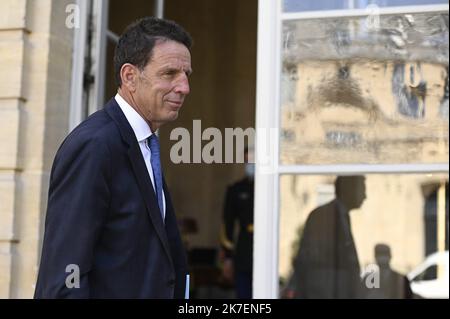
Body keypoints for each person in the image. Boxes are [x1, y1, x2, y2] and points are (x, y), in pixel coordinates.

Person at [34, 17, 193, 298]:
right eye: (169, 74)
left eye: (186, 75)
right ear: (130, 76)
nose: (184, 87)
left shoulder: (144, 143)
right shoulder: (95, 145)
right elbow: (64, 278)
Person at [286, 175, 366, 299]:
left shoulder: (342, 216)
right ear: (349, 189)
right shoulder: (323, 216)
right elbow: (309, 258)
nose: (365, 196)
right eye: (362, 189)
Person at [220, 148, 255, 299]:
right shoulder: (236, 190)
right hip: (243, 251)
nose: (251, 164)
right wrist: (228, 257)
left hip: (266, 249)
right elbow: (227, 224)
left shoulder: (270, 188)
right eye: (247, 161)